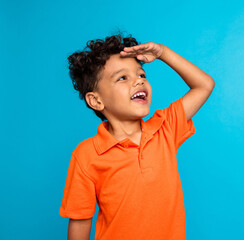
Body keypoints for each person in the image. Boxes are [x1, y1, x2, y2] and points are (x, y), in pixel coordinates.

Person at [59, 31, 215, 240]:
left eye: (141, 75)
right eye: (122, 78)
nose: (138, 81)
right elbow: (80, 221)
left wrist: (163, 53)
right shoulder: (86, 155)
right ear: (96, 101)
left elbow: (204, 85)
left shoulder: (165, 128)